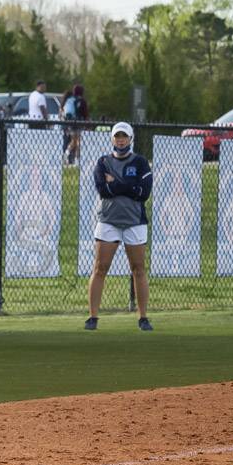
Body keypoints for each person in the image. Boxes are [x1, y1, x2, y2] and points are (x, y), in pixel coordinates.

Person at [86, 122, 153, 332]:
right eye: (117, 136)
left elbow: (143, 193)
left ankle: (143, 318)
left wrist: (116, 183)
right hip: (108, 221)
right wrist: (128, 186)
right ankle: (93, 317)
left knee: (138, 269)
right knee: (100, 268)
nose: (121, 140)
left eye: (124, 136)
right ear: (112, 139)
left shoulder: (141, 162)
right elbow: (103, 190)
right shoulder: (103, 162)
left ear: (131, 138)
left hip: (135, 222)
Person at [63, 84, 89, 165]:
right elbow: (85, 113)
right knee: (77, 141)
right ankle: (74, 157)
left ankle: (69, 155)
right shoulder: (81, 100)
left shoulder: (69, 99)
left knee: (75, 140)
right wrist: (87, 122)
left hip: (69, 123)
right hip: (78, 123)